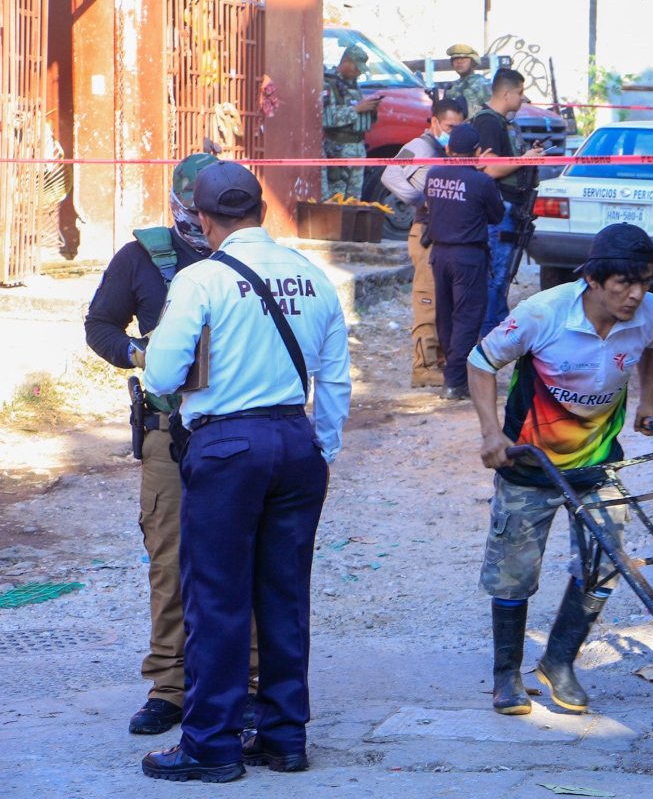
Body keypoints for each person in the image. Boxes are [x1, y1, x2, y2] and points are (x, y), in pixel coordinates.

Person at [140, 162, 351, 782]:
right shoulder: (315, 277)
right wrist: (323, 448)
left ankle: (211, 744)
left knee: (217, 598)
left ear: (203, 220)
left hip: (228, 446)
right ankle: (285, 738)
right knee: (284, 597)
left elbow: (160, 374)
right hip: (296, 441)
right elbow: (335, 378)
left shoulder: (202, 278)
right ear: (262, 210)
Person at [83, 153, 261, 736]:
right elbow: (100, 325)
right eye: (191, 209)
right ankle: (170, 685)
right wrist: (140, 355)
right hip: (169, 435)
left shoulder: (253, 257)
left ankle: (252, 682)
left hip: (236, 430)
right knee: (170, 561)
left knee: (247, 558)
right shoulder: (142, 258)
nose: (199, 221)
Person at [465, 222, 653, 716]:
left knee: (605, 563)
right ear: (593, 280)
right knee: (513, 574)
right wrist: (492, 432)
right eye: (624, 283)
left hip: (598, 463)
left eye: (644, 282)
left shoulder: (650, 313)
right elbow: (480, 361)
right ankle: (506, 676)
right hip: (530, 464)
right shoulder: (543, 313)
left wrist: (648, 400)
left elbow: (652, 347)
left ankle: (558, 662)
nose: (636, 295)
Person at [381, 99, 466, 388]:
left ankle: (439, 361)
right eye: (449, 127)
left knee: (446, 303)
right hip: (426, 233)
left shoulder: (449, 150)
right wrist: (420, 199)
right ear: (434, 122)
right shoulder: (420, 146)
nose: (453, 133)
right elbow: (390, 174)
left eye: (459, 127)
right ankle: (424, 367)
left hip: (446, 236)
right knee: (428, 300)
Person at [425, 124, 506, 400]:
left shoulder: (433, 174)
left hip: (439, 254)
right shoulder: (481, 182)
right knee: (467, 318)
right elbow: (496, 216)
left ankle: (453, 372)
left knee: (446, 316)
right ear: (477, 152)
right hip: (468, 257)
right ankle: (455, 381)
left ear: (449, 148)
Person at [470, 67, 545, 337]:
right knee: (496, 275)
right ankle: (490, 336)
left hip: (509, 206)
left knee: (502, 276)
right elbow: (489, 168)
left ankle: (495, 331)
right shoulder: (489, 122)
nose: (523, 99)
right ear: (506, 93)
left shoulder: (501, 122)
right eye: (520, 93)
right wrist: (525, 159)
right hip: (499, 207)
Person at [322, 43, 380, 200]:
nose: (359, 72)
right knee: (337, 197)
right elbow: (327, 118)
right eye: (356, 67)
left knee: (354, 200)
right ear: (346, 61)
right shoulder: (329, 84)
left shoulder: (353, 86)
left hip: (357, 149)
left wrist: (371, 109)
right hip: (338, 150)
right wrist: (356, 109)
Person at [442, 43, 491, 119]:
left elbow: (490, 112)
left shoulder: (482, 84)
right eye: (456, 59)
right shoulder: (452, 87)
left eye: (464, 59)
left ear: (473, 62)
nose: (459, 62)